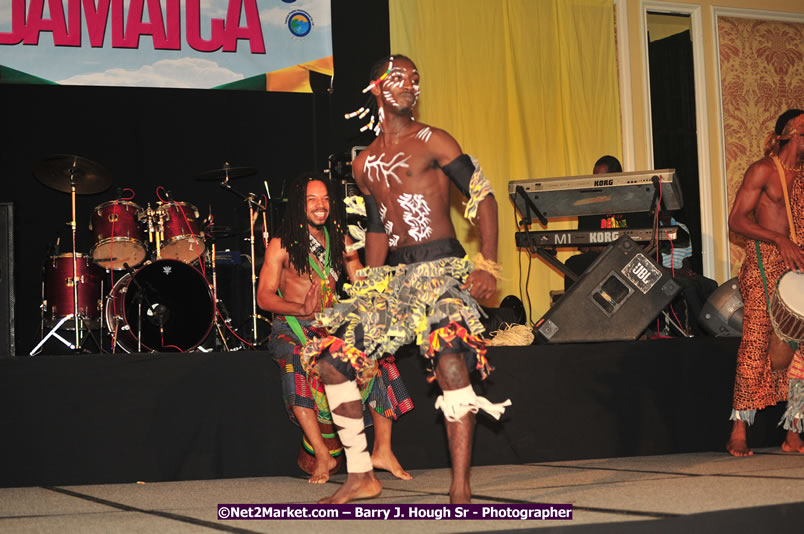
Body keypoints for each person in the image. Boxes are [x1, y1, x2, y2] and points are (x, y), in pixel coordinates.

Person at [300, 55, 510, 504]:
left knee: (451, 358)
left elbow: (483, 195)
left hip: (443, 271)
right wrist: (369, 286)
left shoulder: (434, 140)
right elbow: (377, 228)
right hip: (395, 279)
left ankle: (460, 486)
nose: (409, 85)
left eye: (415, 79)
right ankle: (360, 475)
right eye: (398, 78)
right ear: (375, 88)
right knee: (333, 359)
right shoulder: (364, 166)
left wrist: (487, 263)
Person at [257, 172, 412, 483]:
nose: (321, 205)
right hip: (293, 327)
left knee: (379, 353)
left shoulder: (340, 241)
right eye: (313, 199)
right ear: (300, 206)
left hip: (329, 327)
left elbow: (361, 282)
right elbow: (263, 297)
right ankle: (322, 454)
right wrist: (300, 308)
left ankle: (382, 449)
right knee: (299, 360)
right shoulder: (280, 245)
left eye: (325, 199)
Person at [726, 109, 804, 457]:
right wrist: (778, 239)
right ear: (789, 132)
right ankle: (739, 428)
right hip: (764, 263)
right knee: (755, 342)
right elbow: (736, 220)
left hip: (798, 267)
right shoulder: (763, 170)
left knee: (802, 351)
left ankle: (794, 430)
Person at [564, 155, 653, 290]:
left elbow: (646, 240)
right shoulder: (588, 204)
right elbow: (583, 245)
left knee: (652, 266)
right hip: (599, 257)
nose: (597, 182)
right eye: (595, 178)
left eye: (602, 178)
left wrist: (618, 250)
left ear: (617, 178)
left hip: (629, 256)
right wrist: (602, 249)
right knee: (573, 263)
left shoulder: (636, 202)